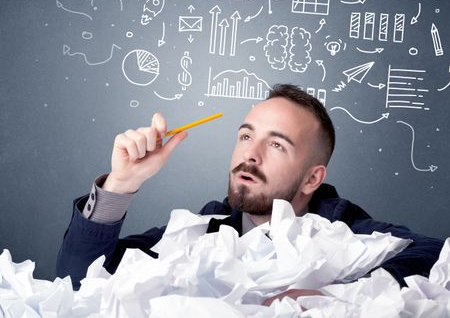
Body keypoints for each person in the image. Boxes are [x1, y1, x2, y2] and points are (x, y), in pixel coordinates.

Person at [57, 84, 444, 304]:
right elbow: (77, 280)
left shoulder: (342, 228)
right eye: (245, 136)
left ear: (312, 179)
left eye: (276, 145)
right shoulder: (202, 229)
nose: (250, 155)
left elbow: (435, 254)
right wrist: (121, 185)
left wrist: (331, 295)